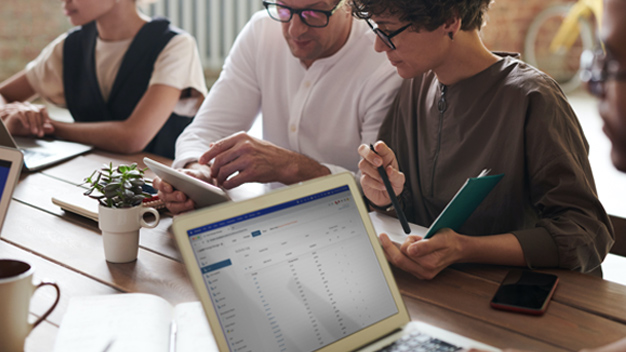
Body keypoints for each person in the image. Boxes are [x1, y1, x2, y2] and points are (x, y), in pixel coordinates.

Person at [353, 0, 614, 280]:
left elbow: (585, 233)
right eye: (376, 29)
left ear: (450, 21)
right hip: (432, 298)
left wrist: (465, 249)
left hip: (512, 300)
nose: (379, 46)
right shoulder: (414, 88)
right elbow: (409, 210)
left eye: (388, 31)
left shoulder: (532, 98)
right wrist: (385, 197)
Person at [154, 0, 402, 214]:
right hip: (270, 217)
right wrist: (196, 172)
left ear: (350, 6)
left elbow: (377, 194)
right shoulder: (262, 30)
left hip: (347, 224)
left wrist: (292, 167)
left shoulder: (384, 61)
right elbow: (205, 130)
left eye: (313, 14)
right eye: (283, 9)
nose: (295, 29)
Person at [0, 0, 207, 159]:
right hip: (89, 178)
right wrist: (16, 114)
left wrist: (44, 126)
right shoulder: (69, 46)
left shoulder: (175, 45)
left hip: (159, 189)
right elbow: (3, 94)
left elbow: (132, 137)